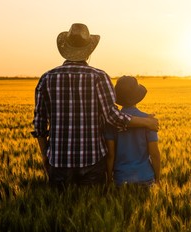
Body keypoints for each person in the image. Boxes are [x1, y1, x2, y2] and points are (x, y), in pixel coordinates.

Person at [31, 23, 159, 189]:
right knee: (90, 212)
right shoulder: (99, 77)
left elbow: (39, 125)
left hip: (58, 162)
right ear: (89, 50)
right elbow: (112, 117)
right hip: (92, 163)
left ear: (66, 48)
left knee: (62, 210)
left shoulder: (46, 78)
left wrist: (45, 155)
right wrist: (146, 122)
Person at [105, 76, 161, 187]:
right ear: (137, 97)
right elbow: (154, 153)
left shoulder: (111, 122)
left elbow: (110, 155)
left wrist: (109, 180)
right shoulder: (148, 121)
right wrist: (158, 178)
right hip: (145, 176)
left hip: (121, 178)